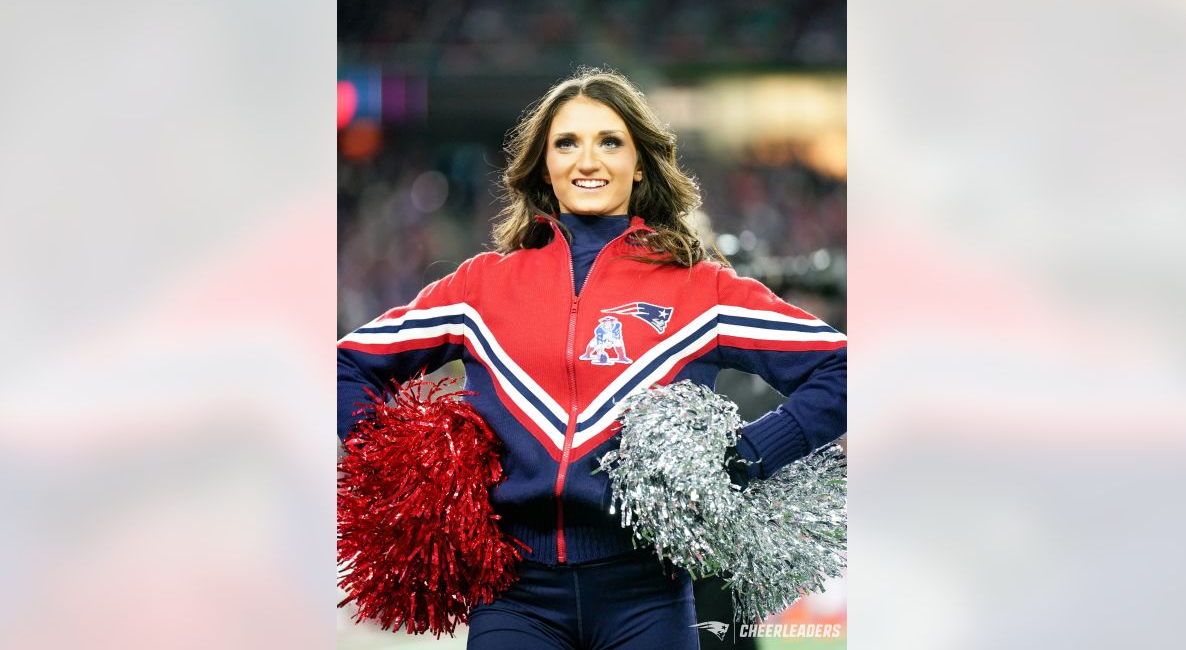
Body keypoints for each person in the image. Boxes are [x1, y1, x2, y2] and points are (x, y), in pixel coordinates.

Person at [337, 68, 847, 650]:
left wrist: (750, 455)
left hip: (647, 595)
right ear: (543, 165)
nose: (588, 160)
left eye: (609, 141)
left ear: (640, 161)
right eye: (566, 143)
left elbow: (844, 369)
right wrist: (405, 467)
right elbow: (344, 367)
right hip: (514, 597)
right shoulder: (478, 288)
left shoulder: (702, 290)